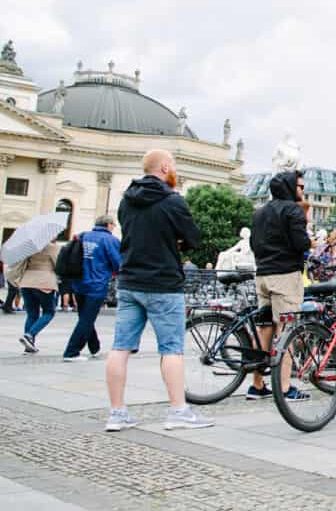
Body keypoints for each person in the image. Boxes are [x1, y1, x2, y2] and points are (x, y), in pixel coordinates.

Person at [106, 149, 212, 431]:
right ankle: (177, 410)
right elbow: (193, 238)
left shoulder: (126, 201)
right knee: (171, 349)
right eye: (174, 165)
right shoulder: (172, 201)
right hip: (163, 282)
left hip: (129, 280)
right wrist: (176, 241)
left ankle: (116, 413)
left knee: (120, 348)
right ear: (165, 167)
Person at [248, 170, 312, 401]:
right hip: (285, 275)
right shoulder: (293, 210)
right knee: (288, 331)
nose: (303, 191)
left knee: (264, 328)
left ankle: (257, 385)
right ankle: (285, 388)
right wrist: (310, 242)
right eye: (300, 187)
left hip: (262, 275)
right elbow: (300, 242)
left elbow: (253, 243)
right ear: (289, 187)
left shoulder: (260, 212)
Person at [63, 215, 121, 361]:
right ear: (108, 224)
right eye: (113, 224)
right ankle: (71, 352)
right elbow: (118, 263)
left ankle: (94, 347)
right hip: (96, 284)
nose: (114, 227)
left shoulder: (82, 236)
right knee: (87, 318)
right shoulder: (110, 240)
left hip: (78, 282)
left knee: (85, 316)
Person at [16, 238, 59, 353]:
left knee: (32, 314)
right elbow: (57, 265)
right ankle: (29, 335)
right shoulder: (52, 247)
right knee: (49, 311)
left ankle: (29, 345)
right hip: (44, 282)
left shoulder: (30, 246)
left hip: (27, 281)